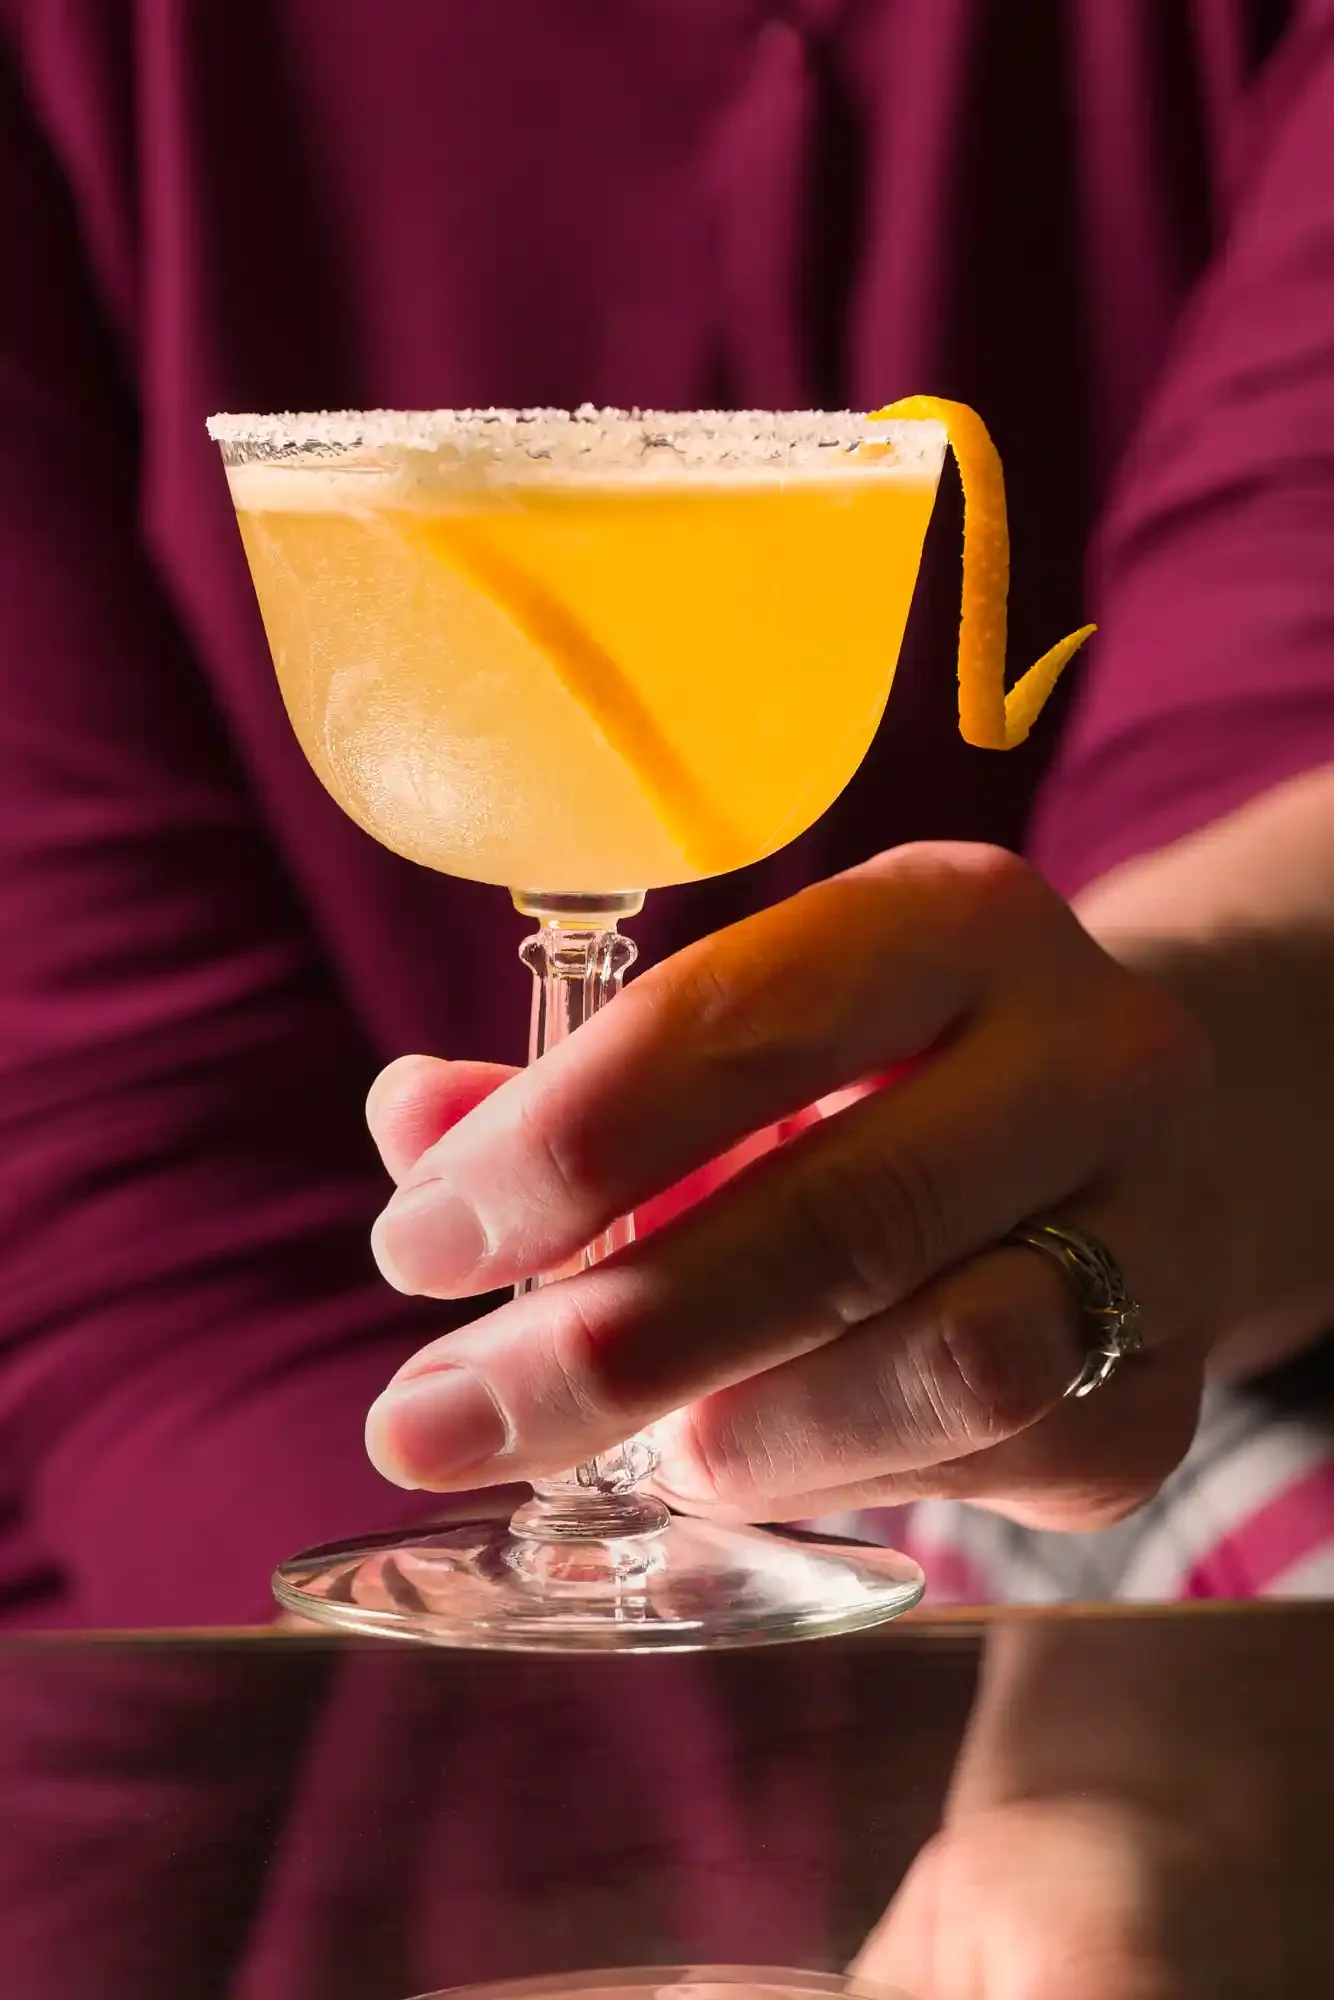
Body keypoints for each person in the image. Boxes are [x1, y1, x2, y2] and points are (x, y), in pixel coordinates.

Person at [3, 1, 1334, 1633]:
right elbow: (103, 1211)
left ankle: (611, 1501)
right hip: (215, 1643)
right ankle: (593, 1513)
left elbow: (1280, 739)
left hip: (1095, 1538)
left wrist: (1118, 1137)